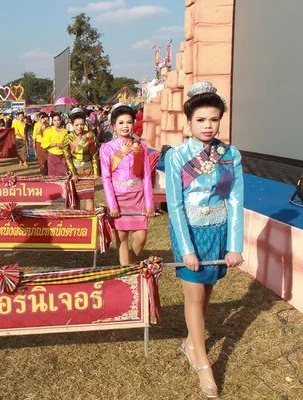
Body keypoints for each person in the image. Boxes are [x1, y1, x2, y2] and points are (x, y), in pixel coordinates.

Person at [166, 82, 244, 399]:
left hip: (218, 229)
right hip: (188, 231)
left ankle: (190, 342)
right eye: (201, 120)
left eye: (213, 119)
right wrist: (186, 249)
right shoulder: (178, 157)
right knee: (194, 294)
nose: (208, 126)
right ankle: (202, 362)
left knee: (207, 290)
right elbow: (174, 205)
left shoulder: (229, 155)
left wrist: (234, 244)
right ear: (189, 123)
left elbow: (234, 199)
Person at [100, 103, 155, 266]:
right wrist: (112, 204)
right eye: (121, 122)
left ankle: (131, 261)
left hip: (138, 197)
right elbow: (106, 178)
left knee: (141, 237)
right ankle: (125, 269)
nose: (125, 126)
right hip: (119, 197)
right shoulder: (107, 148)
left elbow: (146, 175)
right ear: (114, 125)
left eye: (129, 122)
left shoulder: (141, 146)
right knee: (122, 237)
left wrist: (149, 203)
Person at [63, 108, 99, 210]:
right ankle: (78, 219)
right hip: (75, 170)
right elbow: (68, 157)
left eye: (82, 124)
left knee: (89, 196)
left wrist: (96, 172)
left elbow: (94, 155)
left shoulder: (90, 136)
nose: (80, 127)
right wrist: (73, 173)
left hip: (88, 170)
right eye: (77, 125)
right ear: (72, 124)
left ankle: (90, 218)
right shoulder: (68, 138)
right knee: (77, 197)